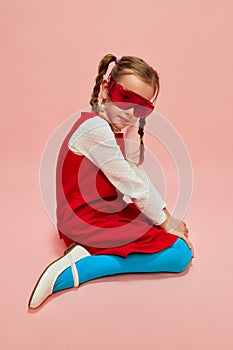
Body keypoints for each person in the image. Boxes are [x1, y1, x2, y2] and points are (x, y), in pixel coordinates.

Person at [28, 54, 194, 309]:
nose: (130, 113)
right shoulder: (96, 130)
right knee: (180, 255)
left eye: (140, 108)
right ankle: (81, 268)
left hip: (101, 213)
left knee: (164, 234)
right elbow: (130, 183)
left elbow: (133, 175)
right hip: (86, 220)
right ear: (106, 89)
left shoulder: (110, 126)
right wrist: (166, 221)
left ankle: (87, 252)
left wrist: (165, 218)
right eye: (125, 99)